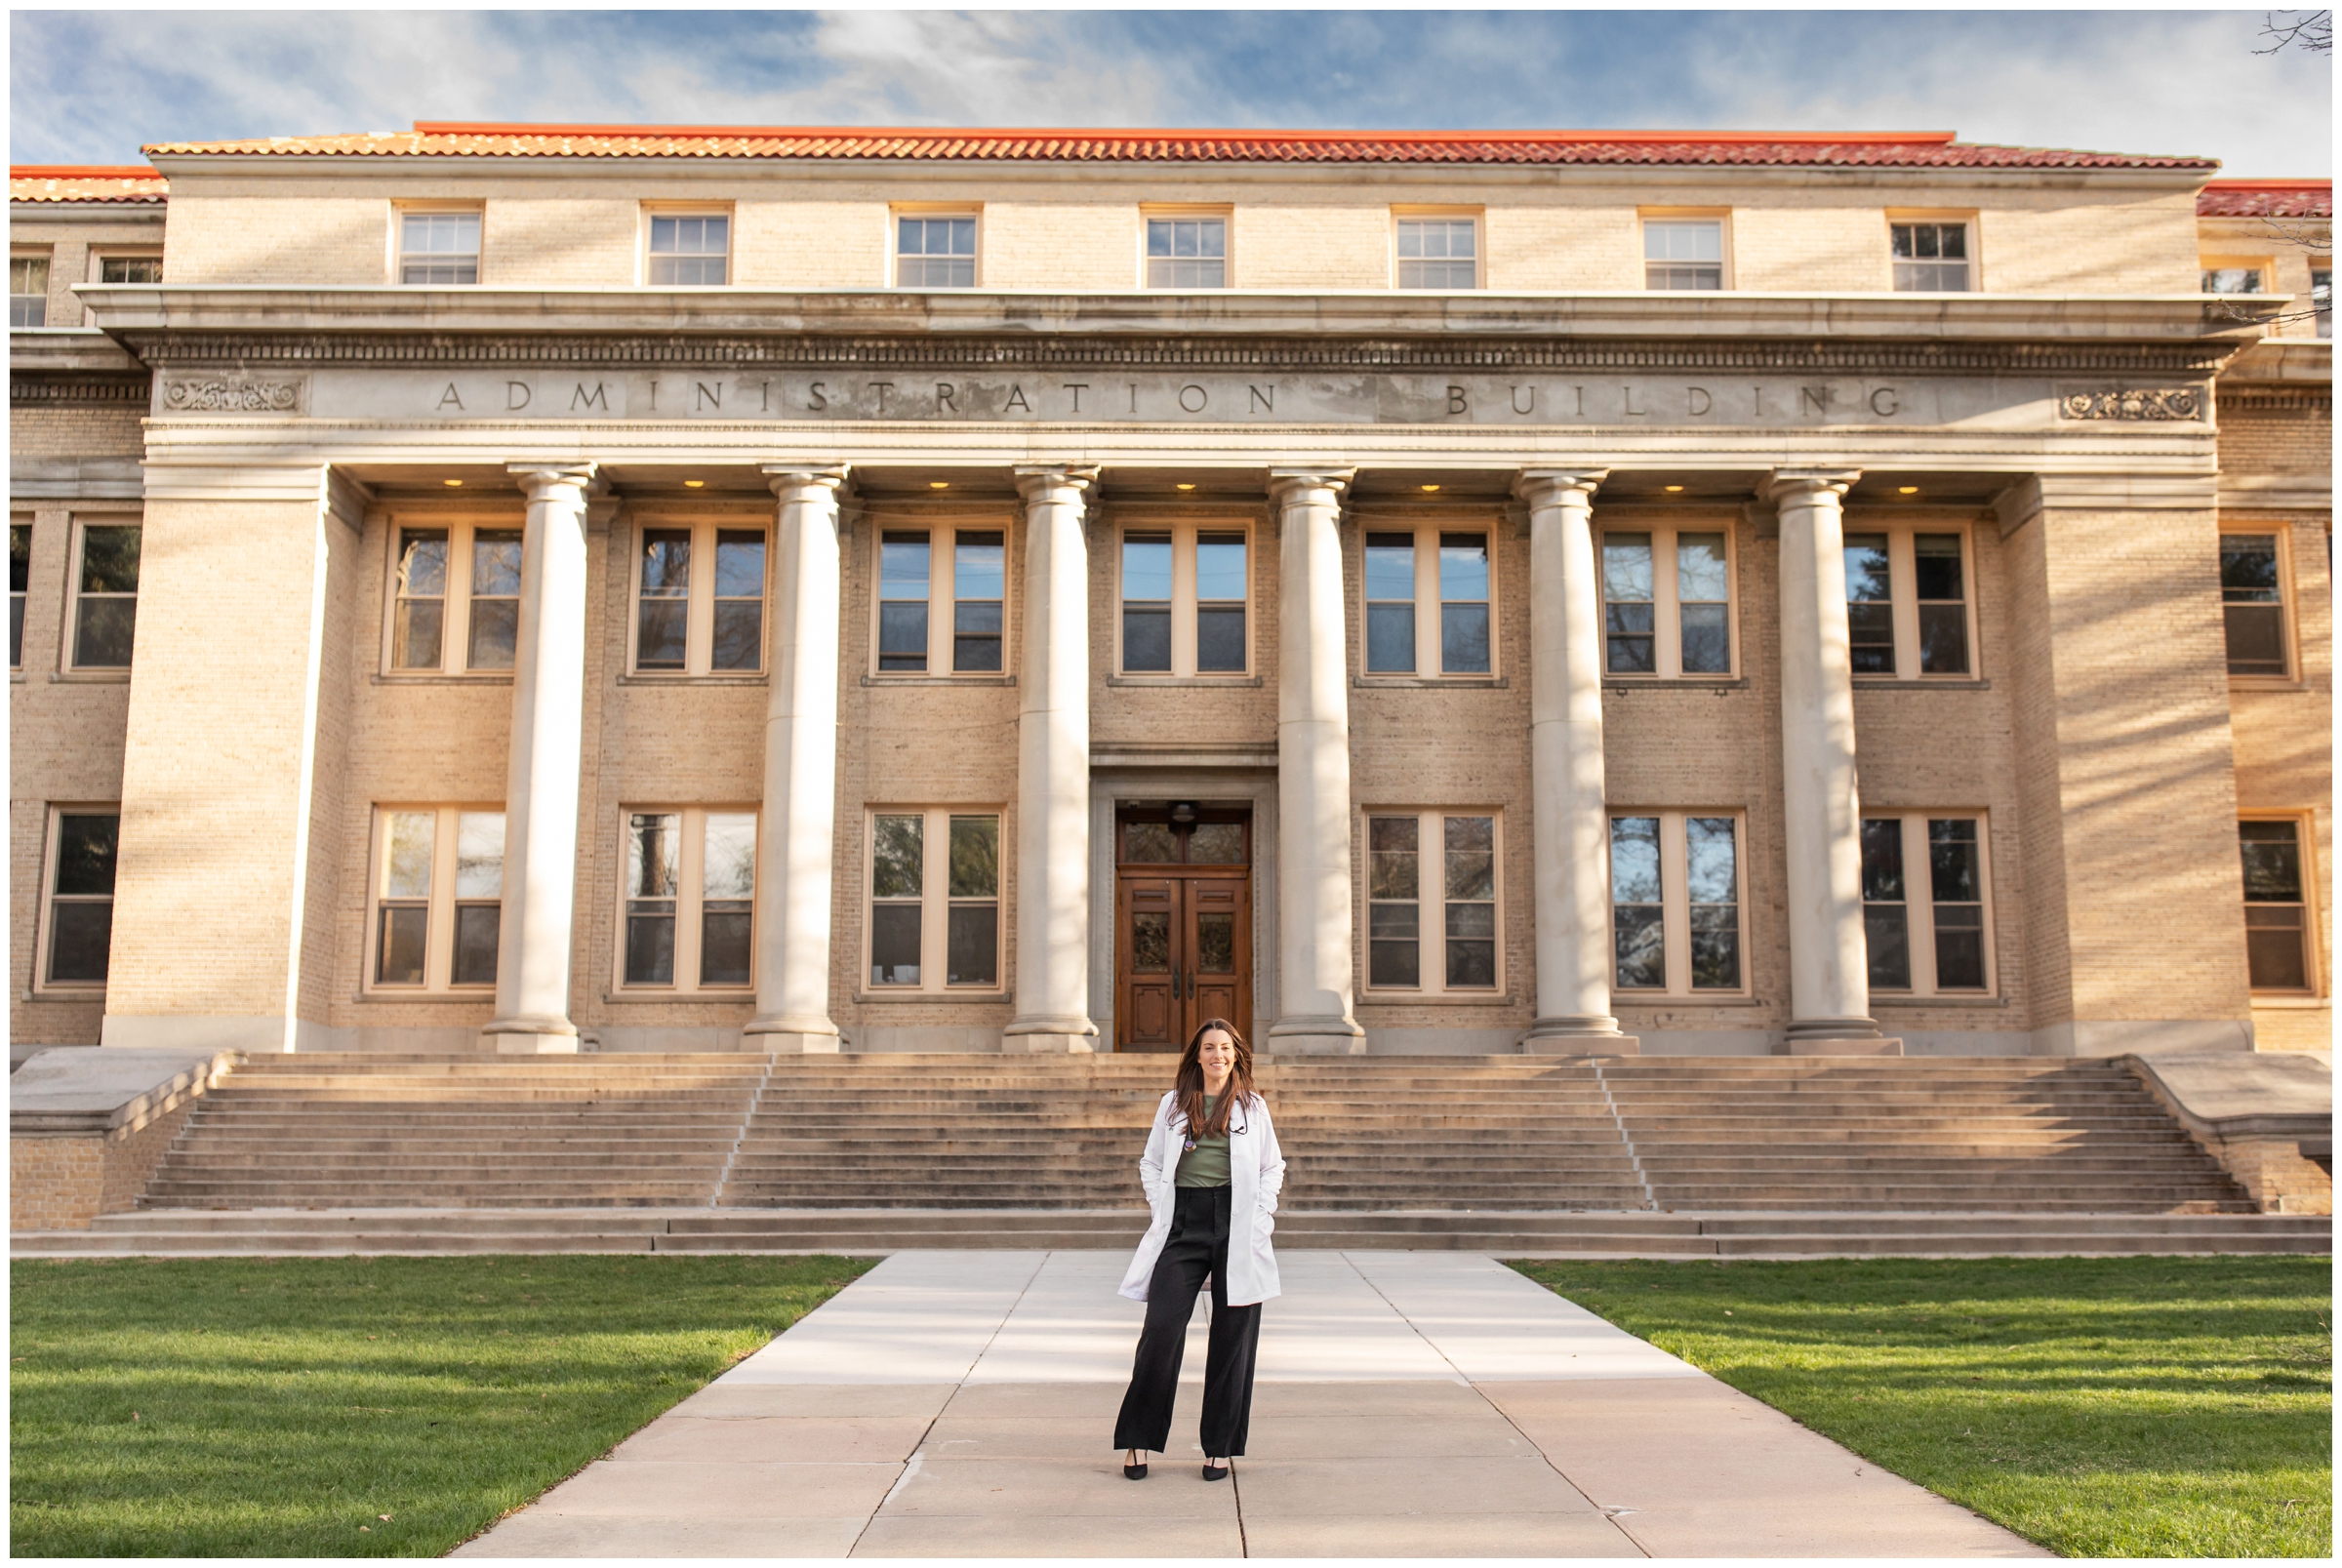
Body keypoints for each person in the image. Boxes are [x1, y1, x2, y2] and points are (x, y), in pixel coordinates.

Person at [1112, 1017, 1285, 1482]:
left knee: (1233, 1341)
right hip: (1183, 1225)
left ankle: (1220, 1448)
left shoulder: (1253, 1106)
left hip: (1237, 1224)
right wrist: (1160, 1205)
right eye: (1209, 1047)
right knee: (1161, 1333)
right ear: (1197, 1055)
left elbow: (1273, 1166)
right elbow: (1150, 1161)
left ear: (1235, 1055)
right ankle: (1138, 1439)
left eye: (1225, 1047)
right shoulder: (1173, 1105)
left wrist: (1261, 1215)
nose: (1217, 1055)